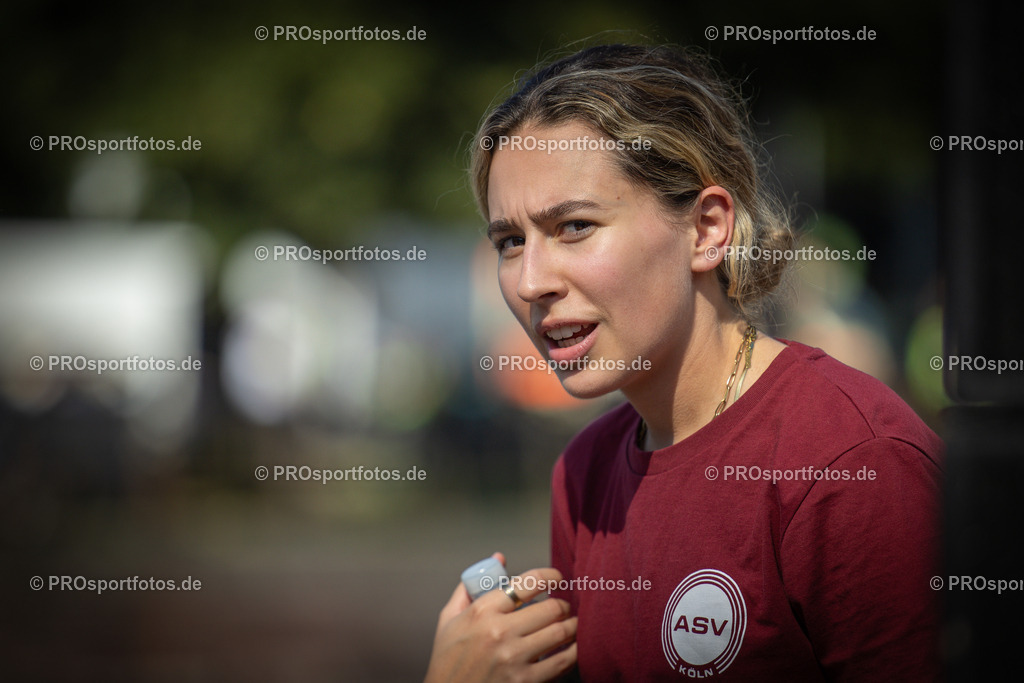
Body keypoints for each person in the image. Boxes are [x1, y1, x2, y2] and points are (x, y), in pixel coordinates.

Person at [426, 43, 942, 681]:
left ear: (706, 230)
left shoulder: (853, 464)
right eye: (510, 241)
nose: (531, 282)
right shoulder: (584, 474)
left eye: (575, 227)